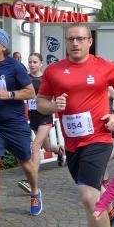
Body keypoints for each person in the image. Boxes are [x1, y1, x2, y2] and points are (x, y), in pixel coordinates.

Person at [37, 23, 114, 227]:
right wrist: (52, 106)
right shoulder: (54, 70)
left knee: (88, 196)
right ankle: (112, 214)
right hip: (72, 144)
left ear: (90, 41)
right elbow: (41, 102)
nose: (75, 43)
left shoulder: (103, 66)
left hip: (99, 137)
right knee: (94, 191)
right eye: (71, 39)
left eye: (80, 39)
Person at [0, 29, 43, 227]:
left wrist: (9, 95)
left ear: (3, 46)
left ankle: (35, 192)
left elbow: (30, 92)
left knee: (26, 163)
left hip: (15, 124)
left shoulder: (15, 67)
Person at [17, 52, 65, 193]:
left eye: (35, 62)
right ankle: (60, 150)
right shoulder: (25, 79)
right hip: (33, 116)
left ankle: (31, 180)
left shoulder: (46, 79)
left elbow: (56, 94)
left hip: (45, 116)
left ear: (41, 63)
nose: (32, 65)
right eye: (30, 62)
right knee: (47, 147)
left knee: (35, 146)